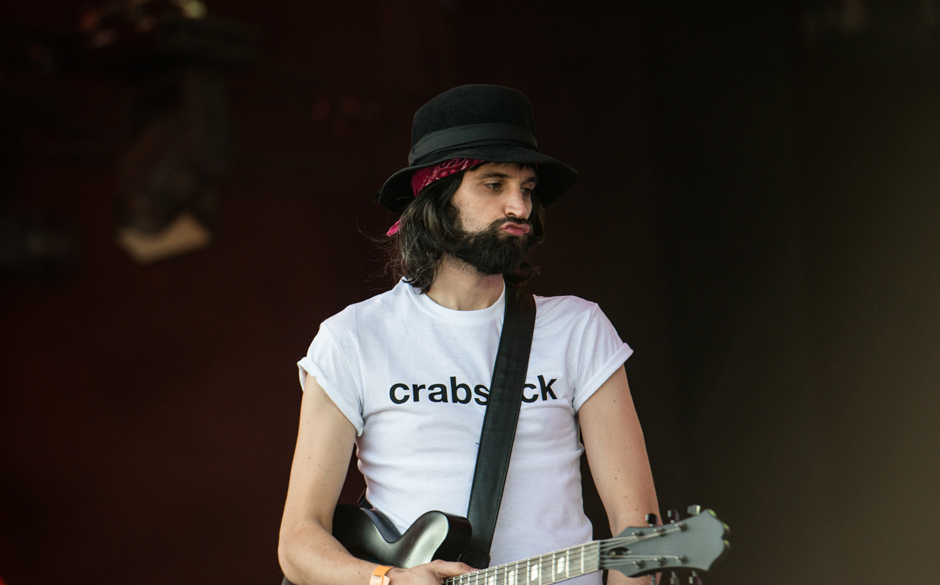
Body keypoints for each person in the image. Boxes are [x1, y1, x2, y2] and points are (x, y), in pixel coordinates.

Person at [278, 84, 659, 585]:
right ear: (435, 199)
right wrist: (386, 581)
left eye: (526, 188)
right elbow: (299, 542)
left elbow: (640, 529)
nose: (519, 207)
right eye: (493, 184)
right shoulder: (353, 338)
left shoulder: (579, 329)